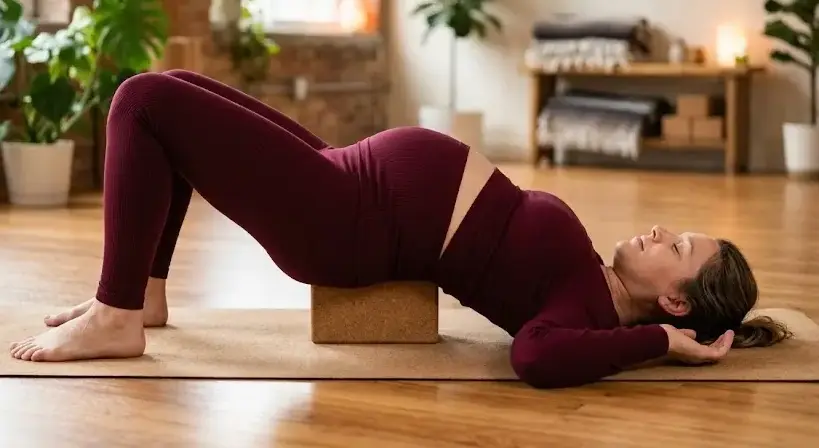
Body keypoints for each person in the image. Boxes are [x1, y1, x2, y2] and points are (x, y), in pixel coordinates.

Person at [8, 70, 791, 388]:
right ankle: (139, 296)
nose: (661, 231)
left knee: (143, 101)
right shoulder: (591, 278)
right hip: (350, 178)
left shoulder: (582, 314)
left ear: (677, 305)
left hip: (343, 221)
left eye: (677, 248)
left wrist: (657, 347)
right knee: (173, 93)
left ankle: (116, 317)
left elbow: (536, 358)